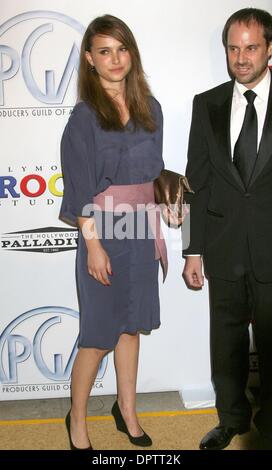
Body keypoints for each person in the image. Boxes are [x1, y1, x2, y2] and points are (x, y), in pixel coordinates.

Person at [59, 14, 166, 450]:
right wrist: (93, 246)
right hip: (102, 232)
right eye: (105, 51)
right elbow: (80, 184)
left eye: (122, 49)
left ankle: (127, 411)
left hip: (142, 231)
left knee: (131, 328)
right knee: (98, 335)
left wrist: (171, 208)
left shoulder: (151, 108)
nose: (115, 59)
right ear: (90, 60)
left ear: (132, 54)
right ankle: (78, 422)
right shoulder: (84, 118)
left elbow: (155, 175)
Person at [183, 8, 272, 450]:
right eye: (233, 48)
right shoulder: (207, 103)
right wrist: (191, 251)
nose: (242, 57)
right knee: (227, 346)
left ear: (269, 49)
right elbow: (195, 182)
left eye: (251, 47)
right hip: (222, 247)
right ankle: (232, 419)